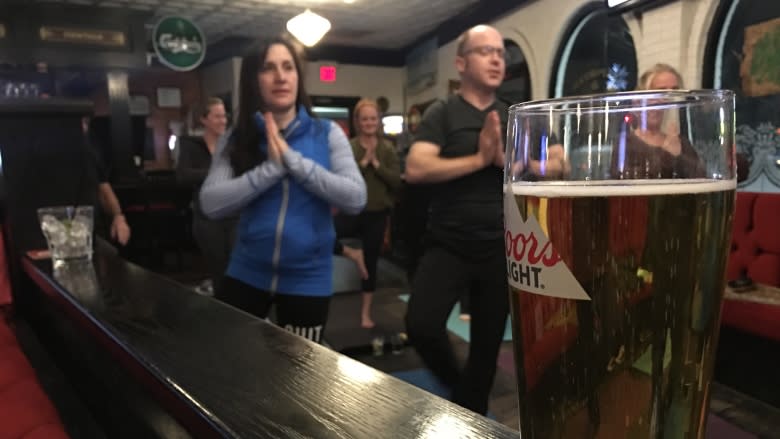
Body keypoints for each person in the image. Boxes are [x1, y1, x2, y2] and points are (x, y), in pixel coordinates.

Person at [199, 36, 366, 344]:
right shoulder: (238, 137)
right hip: (246, 271)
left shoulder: (326, 133)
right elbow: (210, 202)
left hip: (308, 278)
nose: (280, 76)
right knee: (233, 364)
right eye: (269, 68)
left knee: (297, 378)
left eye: (288, 67)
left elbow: (355, 197)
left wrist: (291, 161)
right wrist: (271, 170)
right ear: (253, 78)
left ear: (298, 76)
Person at [403, 24, 509, 415]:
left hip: (500, 247)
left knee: (487, 347)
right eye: (486, 51)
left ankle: (473, 413)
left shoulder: (512, 113)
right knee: (421, 325)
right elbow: (416, 167)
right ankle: (460, 392)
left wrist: (512, 161)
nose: (497, 58)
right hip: (448, 242)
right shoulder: (443, 112)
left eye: (501, 52)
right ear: (461, 63)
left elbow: (558, 162)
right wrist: (479, 161)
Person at [336, 98, 401, 328]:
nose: (369, 122)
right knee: (324, 235)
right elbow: (345, 181)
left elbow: (397, 182)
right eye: (365, 119)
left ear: (378, 121)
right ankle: (352, 254)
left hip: (377, 213)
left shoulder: (387, 148)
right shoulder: (349, 147)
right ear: (358, 122)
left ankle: (366, 313)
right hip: (352, 212)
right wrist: (364, 162)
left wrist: (377, 164)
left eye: (373, 118)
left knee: (372, 262)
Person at [176, 97, 235, 296]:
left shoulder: (231, 146)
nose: (223, 120)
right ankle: (223, 314)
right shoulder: (191, 145)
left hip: (235, 216)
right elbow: (183, 176)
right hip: (207, 219)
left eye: (224, 116)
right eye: (217, 116)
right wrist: (216, 172)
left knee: (238, 271)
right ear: (204, 119)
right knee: (219, 271)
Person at [82, 117, 131, 247]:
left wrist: (118, 217)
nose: (85, 128)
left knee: (110, 253)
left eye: (86, 123)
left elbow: (104, 189)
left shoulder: (89, 153)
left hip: (91, 228)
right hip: (63, 229)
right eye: (81, 123)